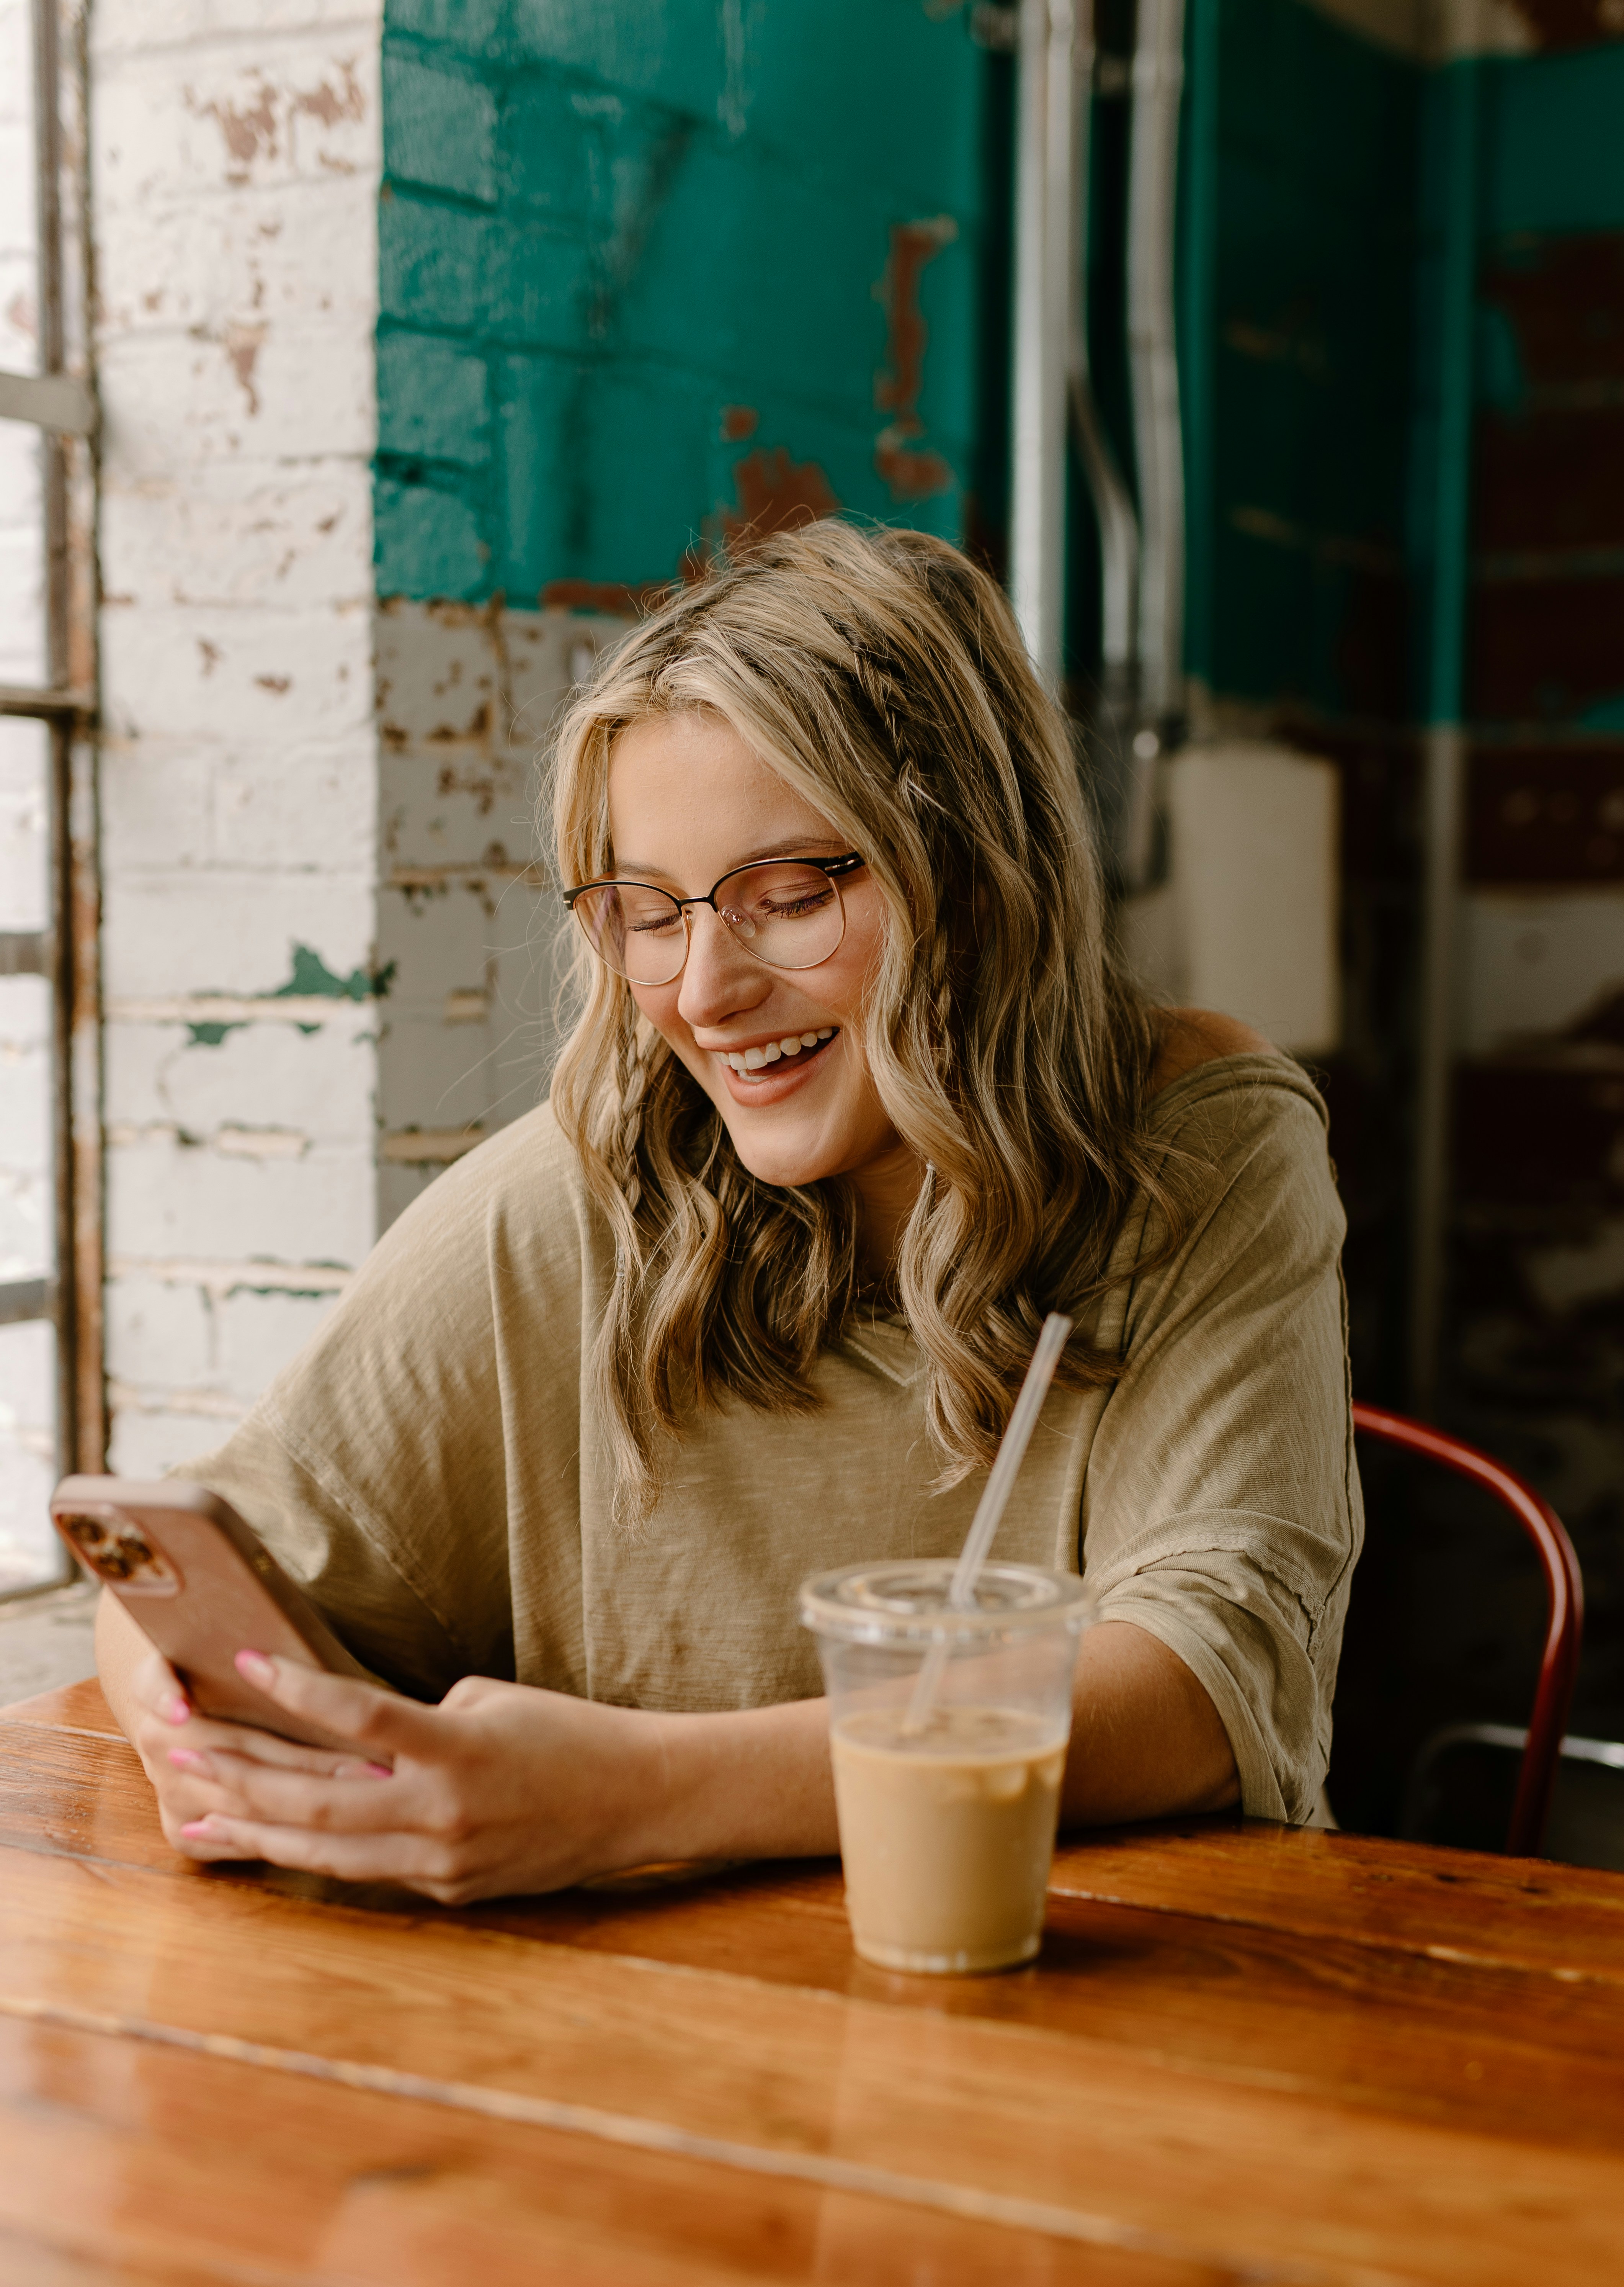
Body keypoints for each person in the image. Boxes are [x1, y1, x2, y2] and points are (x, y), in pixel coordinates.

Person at [96, 521, 1361, 1901]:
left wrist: (626, 1794)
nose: (702, 992)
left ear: (979, 882)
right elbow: (182, 1566)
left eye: (789, 894)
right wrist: (201, 1738)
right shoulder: (589, 1187)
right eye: (649, 911)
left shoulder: (1202, 1149)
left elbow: (1203, 1683)